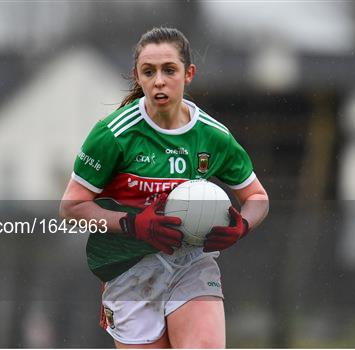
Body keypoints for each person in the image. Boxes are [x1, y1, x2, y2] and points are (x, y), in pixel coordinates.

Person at [60, 27, 269, 348]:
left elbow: (256, 197)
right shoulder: (113, 134)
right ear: (137, 76)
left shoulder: (212, 136)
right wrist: (133, 223)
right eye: (149, 71)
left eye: (169, 70)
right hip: (129, 270)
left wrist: (242, 225)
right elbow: (71, 208)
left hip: (191, 263)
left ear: (189, 74)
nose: (159, 80)